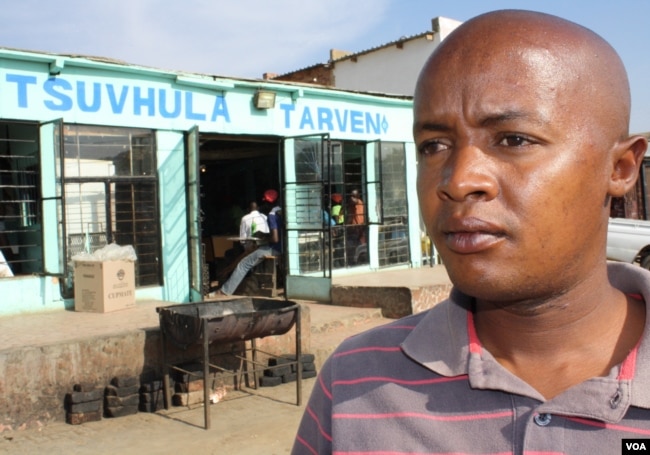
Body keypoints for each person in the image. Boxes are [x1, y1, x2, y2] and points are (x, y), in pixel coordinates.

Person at [292, 10, 649, 454]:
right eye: (434, 146)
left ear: (620, 168)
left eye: (514, 139)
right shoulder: (352, 385)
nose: (458, 180)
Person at [216, 189, 281, 296]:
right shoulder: (280, 211)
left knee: (243, 264)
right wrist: (264, 235)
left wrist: (264, 238)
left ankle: (224, 291)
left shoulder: (271, 215)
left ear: (266, 203)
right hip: (281, 246)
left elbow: (275, 239)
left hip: (273, 248)